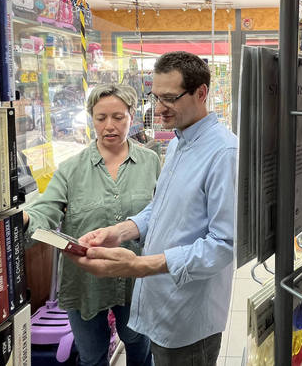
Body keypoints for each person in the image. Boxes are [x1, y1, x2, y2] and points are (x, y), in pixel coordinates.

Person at [72, 51, 238, 366]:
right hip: (160, 306)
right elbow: (160, 208)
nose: (158, 108)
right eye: (155, 96)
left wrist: (139, 266)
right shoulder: (177, 143)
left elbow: (224, 245)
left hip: (188, 318)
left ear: (201, 93)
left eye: (170, 98)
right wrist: (118, 232)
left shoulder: (224, 153)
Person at [23, 84, 159, 366]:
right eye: (101, 118)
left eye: (118, 117)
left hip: (135, 278)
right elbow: (45, 212)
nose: (110, 126)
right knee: (92, 356)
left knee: (140, 349)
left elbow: (162, 212)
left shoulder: (151, 162)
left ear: (132, 116)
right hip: (85, 281)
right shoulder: (71, 169)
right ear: (91, 119)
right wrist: (25, 220)